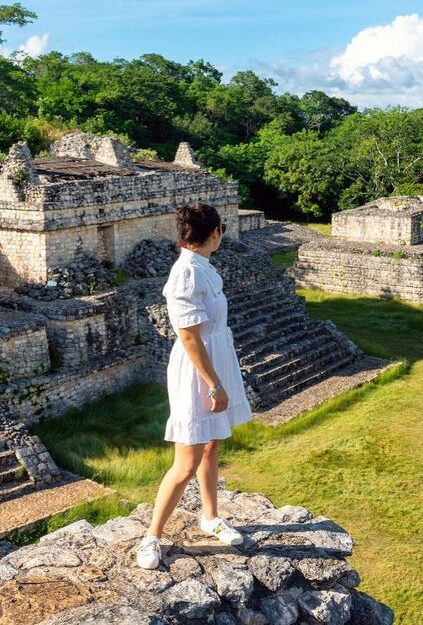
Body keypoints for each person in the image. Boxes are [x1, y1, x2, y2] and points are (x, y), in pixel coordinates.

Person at [136, 202, 253, 570]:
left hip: (215, 359)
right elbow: (188, 337)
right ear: (215, 233)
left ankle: (210, 515)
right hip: (197, 370)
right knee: (186, 460)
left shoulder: (203, 268)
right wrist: (214, 385)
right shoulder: (186, 272)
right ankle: (152, 536)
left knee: (211, 442)